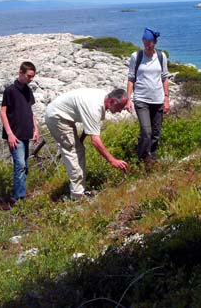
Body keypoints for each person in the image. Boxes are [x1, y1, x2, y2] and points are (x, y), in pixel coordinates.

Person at [45, 87, 129, 200]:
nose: (120, 111)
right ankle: (77, 196)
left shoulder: (103, 98)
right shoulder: (94, 108)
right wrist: (112, 160)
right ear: (112, 101)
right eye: (120, 107)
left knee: (78, 149)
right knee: (73, 152)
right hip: (57, 117)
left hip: (62, 114)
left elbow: (88, 125)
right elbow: (95, 141)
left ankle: (79, 191)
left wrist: (81, 139)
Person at [126, 28, 169, 166]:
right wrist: (128, 99)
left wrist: (166, 98)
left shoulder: (161, 57)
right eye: (144, 42)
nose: (146, 45)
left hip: (158, 99)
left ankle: (152, 156)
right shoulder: (136, 56)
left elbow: (164, 77)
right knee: (146, 131)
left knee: (156, 133)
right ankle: (141, 159)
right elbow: (131, 78)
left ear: (154, 42)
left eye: (149, 42)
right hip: (141, 99)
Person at [0, 61, 40, 203]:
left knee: (25, 166)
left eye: (32, 77)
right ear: (21, 73)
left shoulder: (28, 90)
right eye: (29, 76)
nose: (31, 79)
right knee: (20, 165)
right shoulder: (10, 90)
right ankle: (16, 198)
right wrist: (9, 134)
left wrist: (36, 128)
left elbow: (30, 111)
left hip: (26, 133)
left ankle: (20, 196)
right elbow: (3, 112)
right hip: (15, 135)